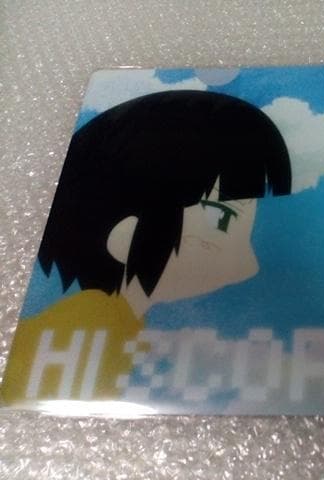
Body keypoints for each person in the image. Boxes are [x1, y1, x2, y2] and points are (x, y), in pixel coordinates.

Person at [2, 90, 291, 403]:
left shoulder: (113, 328)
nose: (250, 265)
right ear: (124, 233)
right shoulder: (85, 336)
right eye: (221, 218)